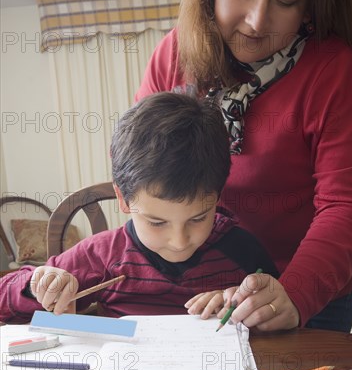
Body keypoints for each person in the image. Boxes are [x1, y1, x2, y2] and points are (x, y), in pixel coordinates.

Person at [135, 0, 352, 332]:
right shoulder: (173, 55)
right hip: (200, 278)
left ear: (309, 5)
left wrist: (294, 292)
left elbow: (349, 204)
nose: (258, 22)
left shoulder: (336, 70)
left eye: (286, 1)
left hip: (306, 279)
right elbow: (141, 172)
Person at [0, 92, 278, 324]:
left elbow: (279, 312)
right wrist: (37, 286)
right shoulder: (103, 255)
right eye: (157, 222)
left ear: (217, 197)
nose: (179, 242)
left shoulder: (242, 250)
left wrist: (241, 304)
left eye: (198, 218)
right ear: (123, 199)